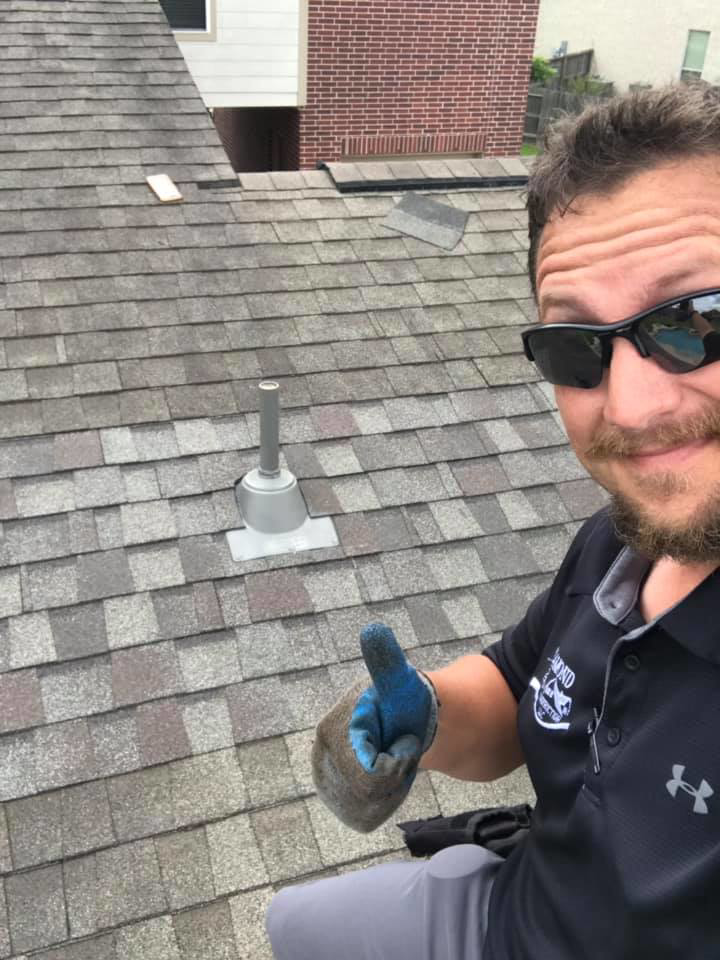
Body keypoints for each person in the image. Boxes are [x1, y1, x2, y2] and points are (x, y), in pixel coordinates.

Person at [266, 83, 720, 959]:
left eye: (697, 321)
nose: (629, 404)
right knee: (292, 925)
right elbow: (519, 689)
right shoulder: (620, 544)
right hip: (509, 904)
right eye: (575, 346)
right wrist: (427, 716)